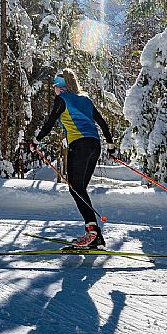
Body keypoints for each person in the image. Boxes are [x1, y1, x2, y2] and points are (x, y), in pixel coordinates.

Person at [27, 68, 116, 250]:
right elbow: (102, 123)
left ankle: (92, 233)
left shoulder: (62, 99)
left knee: (76, 189)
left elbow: (50, 122)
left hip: (80, 145)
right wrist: (111, 145)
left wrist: (36, 141)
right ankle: (95, 234)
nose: (53, 89)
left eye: (54, 86)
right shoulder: (86, 99)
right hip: (94, 146)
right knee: (79, 189)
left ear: (61, 86)